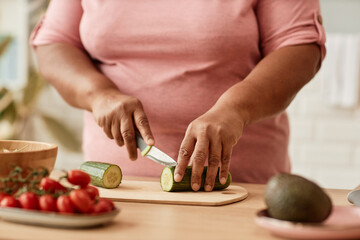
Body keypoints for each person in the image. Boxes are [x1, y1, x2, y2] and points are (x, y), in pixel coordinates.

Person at [31, 0, 325, 191]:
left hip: (241, 187)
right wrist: (99, 94)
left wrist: (235, 109)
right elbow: (54, 42)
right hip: (118, 189)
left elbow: (299, 47)